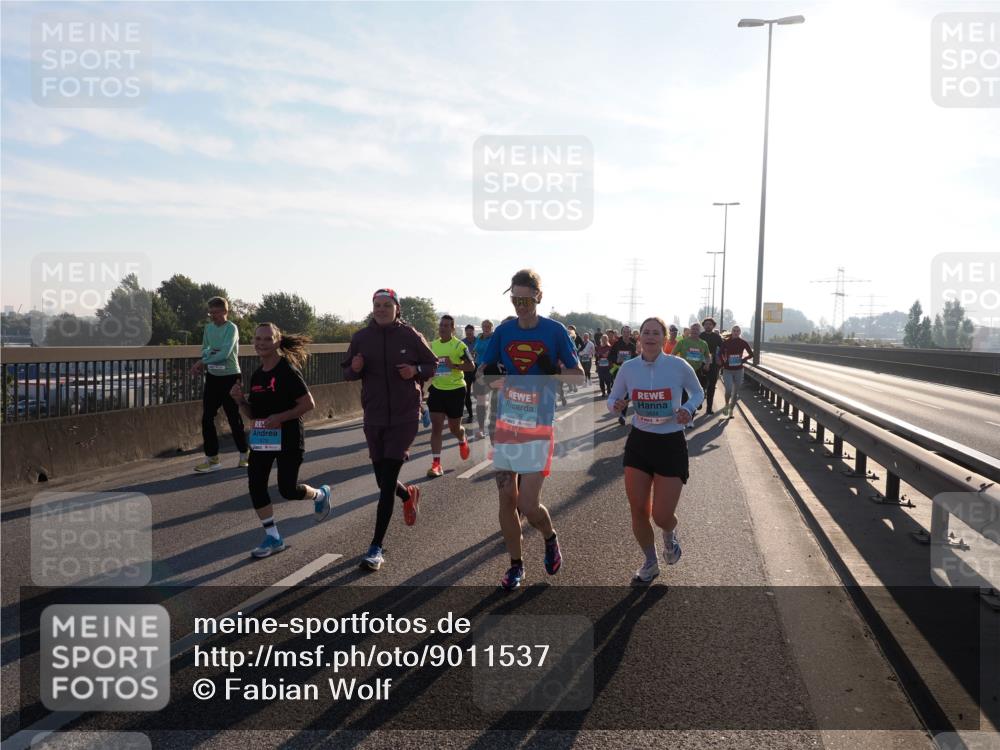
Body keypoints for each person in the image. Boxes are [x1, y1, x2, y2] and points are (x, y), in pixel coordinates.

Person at [478, 269, 584, 590]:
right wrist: (490, 375)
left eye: (525, 299)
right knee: (506, 498)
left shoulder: (554, 332)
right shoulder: (504, 331)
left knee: (528, 504)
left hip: (538, 427)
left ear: (538, 297)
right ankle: (516, 566)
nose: (519, 305)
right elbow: (483, 371)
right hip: (507, 424)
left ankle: (549, 537)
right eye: (514, 299)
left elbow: (578, 376)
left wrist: (555, 371)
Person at [343, 289, 438, 571]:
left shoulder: (410, 336)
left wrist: (415, 370)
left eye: (387, 305)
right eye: (377, 305)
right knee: (381, 480)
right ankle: (408, 495)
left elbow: (433, 364)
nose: (381, 309)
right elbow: (347, 372)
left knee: (385, 485)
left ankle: (376, 547)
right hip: (374, 415)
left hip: (404, 415)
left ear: (397, 308)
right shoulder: (361, 338)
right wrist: (356, 367)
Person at [607, 317, 703, 583]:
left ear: (663, 338)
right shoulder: (628, 368)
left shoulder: (678, 365)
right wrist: (615, 405)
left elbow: (697, 393)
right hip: (640, 442)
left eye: (655, 332)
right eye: (646, 332)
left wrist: (688, 408)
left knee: (661, 516)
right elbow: (613, 398)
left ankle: (670, 535)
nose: (650, 336)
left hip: (670, 442)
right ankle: (650, 562)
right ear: (640, 337)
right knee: (638, 509)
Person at [230, 323, 332, 558]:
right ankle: (273, 537)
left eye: (266, 339)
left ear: (277, 341)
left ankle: (320, 495)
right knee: (256, 485)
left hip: (289, 437)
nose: (261, 343)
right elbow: (254, 414)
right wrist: (240, 401)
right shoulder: (256, 375)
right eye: (257, 339)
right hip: (263, 439)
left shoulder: (287, 370)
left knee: (287, 489)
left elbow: (308, 404)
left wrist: (280, 418)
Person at [191, 297, 249, 472]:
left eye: (216, 312)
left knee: (233, 416)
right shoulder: (208, 328)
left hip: (231, 376)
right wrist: (208, 357)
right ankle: (212, 459)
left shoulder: (231, 328)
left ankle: (244, 454)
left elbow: (225, 352)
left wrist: (204, 361)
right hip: (214, 377)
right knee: (207, 417)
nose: (213, 316)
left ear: (225, 312)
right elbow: (205, 349)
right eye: (211, 313)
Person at [426, 315, 475, 478]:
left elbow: (470, 366)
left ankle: (462, 438)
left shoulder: (459, 346)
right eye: (441, 325)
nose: (443, 328)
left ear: (452, 329)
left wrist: (453, 365)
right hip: (438, 389)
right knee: (436, 427)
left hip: (456, 390)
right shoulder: (432, 345)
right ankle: (436, 464)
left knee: (454, 427)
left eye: (446, 326)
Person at [671, 323, 711, 427]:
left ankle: (690, 419)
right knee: (684, 396)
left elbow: (708, 356)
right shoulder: (683, 342)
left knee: (693, 396)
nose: (694, 331)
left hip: (697, 372)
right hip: (683, 372)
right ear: (689, 330)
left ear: (699, 331)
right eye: (693, 329)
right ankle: (683, 418)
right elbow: (672, 355)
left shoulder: (703, 343)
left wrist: (707, 364)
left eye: (697, 330)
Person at [719, 325, 754, 417]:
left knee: (735, 392)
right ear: (732, 331)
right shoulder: (726, 342)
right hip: (727, 370)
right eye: (734, 330)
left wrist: (743, 360)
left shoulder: (743, 342)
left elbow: (751, 354)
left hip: (739, 370)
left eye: (738, 331)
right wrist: (723, 362)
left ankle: (731, 411)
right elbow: (720, 353)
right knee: (729, 390)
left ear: (740, 332)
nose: (736, 332)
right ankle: (726, 404)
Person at [472, 319, 495, 439]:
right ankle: (481, 429)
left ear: (492, 327)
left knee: (495, 401)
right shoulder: (480, 337)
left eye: (488, 326)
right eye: (484, 326)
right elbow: (475, 350)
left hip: (493, 371)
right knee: (480, 400)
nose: (485, 327)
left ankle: (491, 427)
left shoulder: (495, 338)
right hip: (479, 371)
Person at [610, 325, 637, 425]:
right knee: (619, 393)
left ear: (630, 333)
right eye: (624, 332)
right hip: (618, 371)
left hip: (629, 373)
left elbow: (635, 358)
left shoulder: (632, 345)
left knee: (627, 394)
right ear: (622, 333)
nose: (626, 334)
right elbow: (610, 356)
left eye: (628, 332)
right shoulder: (617, 344)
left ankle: (623, 415)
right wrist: (616, 360)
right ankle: (618, 408)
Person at [699, 317, 725, 415]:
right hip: (701, 364)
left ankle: (709, 408)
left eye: (710, 324)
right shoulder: (700, 336)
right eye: (706, 324)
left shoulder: (717, 337)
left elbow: (722, 349)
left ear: (713, 326)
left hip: (714, 365)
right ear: (703, 326)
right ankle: (699, 402)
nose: (708, 325)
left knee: (711, 386)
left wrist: (719, 359)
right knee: (701, 385)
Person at [461, 324, 478, 423]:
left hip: (477, 369)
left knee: (479, 393)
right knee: (466, 394)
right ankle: (471, 415)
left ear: (473, 332)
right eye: (467, 333)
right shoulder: (462, 342)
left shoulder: (478, 341)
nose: (469, 335)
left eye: (471, 333)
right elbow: (459, 356)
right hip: (467, 370)